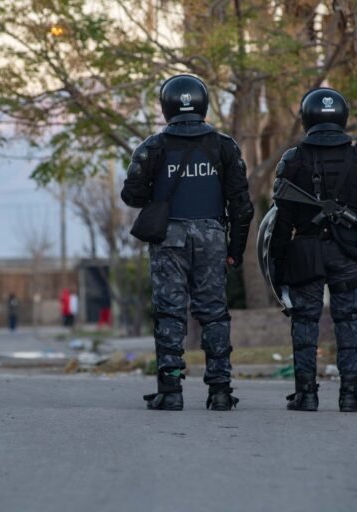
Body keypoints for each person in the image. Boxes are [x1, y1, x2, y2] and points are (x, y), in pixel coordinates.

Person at [121, 74, 253, 411]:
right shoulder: (224, 146)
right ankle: (220, 391)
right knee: (214, 313)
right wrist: (235, 251)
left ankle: (171, 391)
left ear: (166, 106)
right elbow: (242, 206)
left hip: (169, 239)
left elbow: (131, 195)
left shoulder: (152, 147)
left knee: (170, 312)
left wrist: (157, 190)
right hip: (212, 238)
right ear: (203, 104)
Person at [269, 87, 357, 412]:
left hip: (306, 251)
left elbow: (282, 220)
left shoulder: (293, 159)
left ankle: (305, 395)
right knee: (349, 321)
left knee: (304, 323)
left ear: (306, 117)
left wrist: (278, 266)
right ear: (342, 116)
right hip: (349, 252)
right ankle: (351, 395)